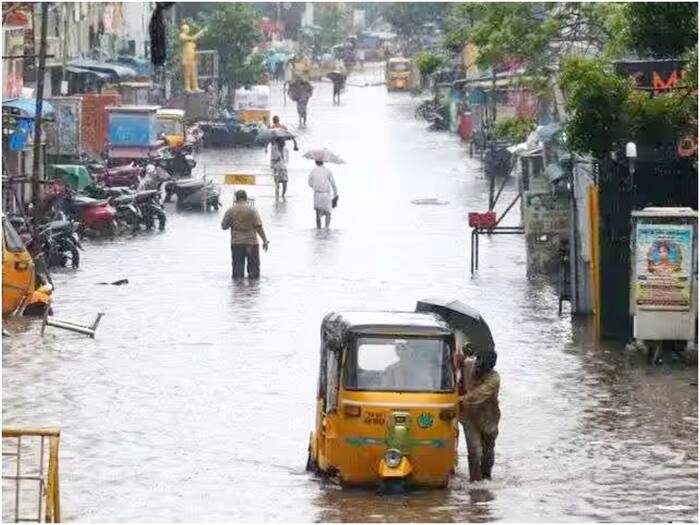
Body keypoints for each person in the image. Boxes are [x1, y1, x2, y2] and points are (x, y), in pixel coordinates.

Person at [457, 346, 500, 482]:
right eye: (478, 366)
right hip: (468, 415)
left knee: (488, 450)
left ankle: (486, 477)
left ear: (490, 368)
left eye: (483, 369)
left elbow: (477, 395)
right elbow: (457, 361)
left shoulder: (494, 379)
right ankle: (475, 482)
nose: (478, 370)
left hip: (488, 417)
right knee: (474, 450)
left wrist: (459, 399)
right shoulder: (469, 364)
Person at [221, 190, 270, 279]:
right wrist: (265, 241)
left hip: (237, 243)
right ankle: (253, 291)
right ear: (246, 198)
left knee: (237, 274)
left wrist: (232, 223)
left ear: (236, 198)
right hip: (251, 243)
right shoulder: (252, 210)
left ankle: (237, 292)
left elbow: (224, 226)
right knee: (254, 274)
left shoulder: (230, 210)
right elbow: (259, 227)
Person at [307, 160, 338, 229]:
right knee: (328, 212)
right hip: (326, 194)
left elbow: (309, 183)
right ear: (323, 162)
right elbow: (333, 183)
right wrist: (335, 193)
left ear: (315, 162)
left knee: (318, 213)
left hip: (317, 194)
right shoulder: (328, 171)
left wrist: (315, 186)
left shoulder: (313, 171)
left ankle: (319, 229)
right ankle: (326, 228)